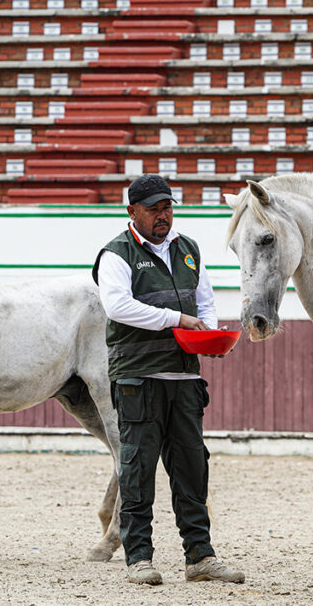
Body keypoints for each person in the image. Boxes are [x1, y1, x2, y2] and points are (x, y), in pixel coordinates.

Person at [92, 173, 244, 586]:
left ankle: (200, 556)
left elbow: (206, 300)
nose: (164, 215)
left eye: (168, 207)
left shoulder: (189, 249)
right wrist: (177, 320)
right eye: (155, 208)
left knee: (193, 469)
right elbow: (118, 306)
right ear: (132, 213)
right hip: (138, 379)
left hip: (184, 378)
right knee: (137, 471)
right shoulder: (115, 254)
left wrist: (207, 334)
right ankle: (138, 557)